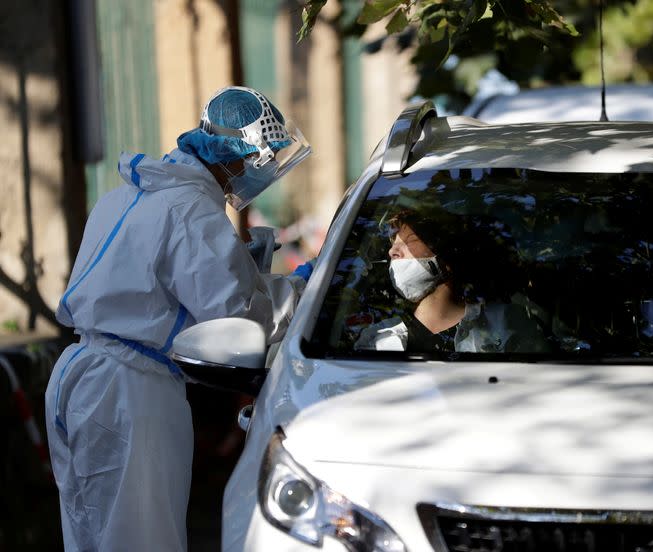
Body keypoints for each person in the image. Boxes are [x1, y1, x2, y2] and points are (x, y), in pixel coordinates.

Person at [44, 85, 313, 551]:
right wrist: (299, 286)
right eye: (260, 163)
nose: (256, 176)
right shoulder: (190, 210)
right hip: (130, 393)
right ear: (237, 158)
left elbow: (150, 288)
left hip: (78, 376)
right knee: (142, 539)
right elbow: (239, 320)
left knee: (91, 535)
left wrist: (242, 267)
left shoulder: (128, 195)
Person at [355, 209, 551, 353]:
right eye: (393, 244)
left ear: (445, 256)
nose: (392, 251)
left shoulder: (506, 323)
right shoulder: (375, 340)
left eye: (409, 241)